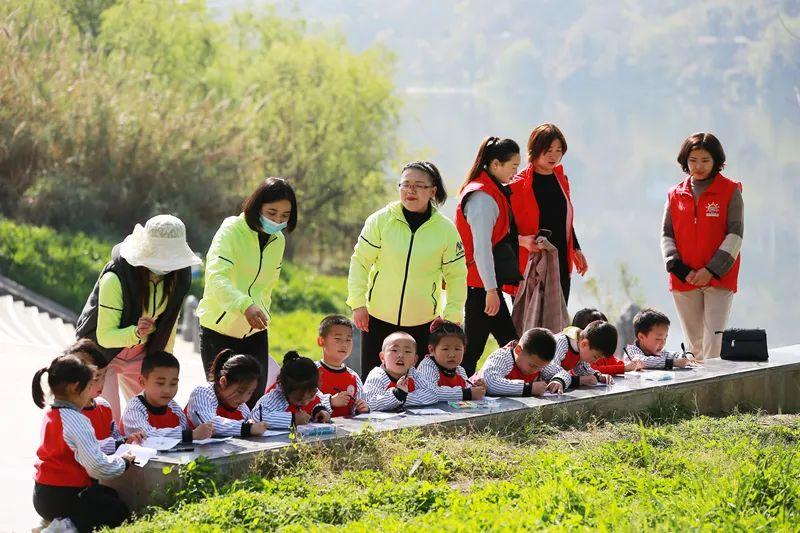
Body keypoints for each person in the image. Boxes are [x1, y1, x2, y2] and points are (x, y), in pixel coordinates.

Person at [347, 161, 467, 376]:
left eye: (419, 185)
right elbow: (360, 261)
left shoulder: (446, 230)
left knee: (417, 386)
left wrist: (452, 314)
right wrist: (358, 303)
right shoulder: (380, 220)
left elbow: (457, 275)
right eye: (406, 184)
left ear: (432, 191)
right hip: (377, 318)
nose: (411, 190)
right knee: (373, 381)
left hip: (423, 321)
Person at [75, 215, 200, 420]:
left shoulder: (179, 278)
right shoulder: (114, 279)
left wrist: (163, 364)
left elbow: (168, 325)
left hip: (143, 355)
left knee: (154, 419)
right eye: (161, 257)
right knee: (109, 421)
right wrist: (135, 333)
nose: (167, 265)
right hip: (104, 355)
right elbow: (105, 336)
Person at [197, 177, 296, 407]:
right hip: (219, 329)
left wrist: (262, 311)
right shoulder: (231, 230)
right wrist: (244, 305)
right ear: (257, 206)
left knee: (254, 399)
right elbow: (216, 276)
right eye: (272, 213)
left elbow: (268, 284)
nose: (277, 220)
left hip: (255, 330)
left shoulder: (278, 239)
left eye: (284, 215)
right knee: (225, 400)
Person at [662, 132, 743, 360]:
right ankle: (696, 393)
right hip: (684, 278)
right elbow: (666, 234)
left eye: (705, 160)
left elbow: (735, 234)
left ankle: (714, 393)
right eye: (693, 160)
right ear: (685, 160)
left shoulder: (730, 191)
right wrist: (680, 270)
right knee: (694, 344)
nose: (699, 166)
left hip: (718, 278)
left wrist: (711, 270)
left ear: (716, 161)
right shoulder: (675, 194)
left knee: (714, 343)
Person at [32, 354, 133, 532]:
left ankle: (57, 522)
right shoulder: (76, 419)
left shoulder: (51, 411)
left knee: (108, 495)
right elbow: (96, 465)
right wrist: (123, 462)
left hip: (42, 493)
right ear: (75, 388)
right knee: (118, 512)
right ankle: (65, 527)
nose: (90, 394)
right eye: (88, 388)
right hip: (64, 496)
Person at [454, 137, 523, 375]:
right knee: (499, 345)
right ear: (495, 164)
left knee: (496, 344)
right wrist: (491, 291)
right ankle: (461, 389)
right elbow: (481, 247)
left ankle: (465, 385)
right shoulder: (482, 198)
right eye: (513, 166)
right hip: (479, 286)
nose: (516, 172)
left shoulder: (488, 191)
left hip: (481, 285)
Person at [510, 124, 588, 304]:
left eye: (559, 150)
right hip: (531, 262)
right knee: (529, 324)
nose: (554, 155)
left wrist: (576, 248)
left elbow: (564, 217)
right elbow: (505, 228)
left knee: (557, 320)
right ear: (534, 150)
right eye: (548, 150)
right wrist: (521, 241)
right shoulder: (519, 184)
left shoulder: (561, 179)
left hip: (560, 259)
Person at [66, 339, 144, 454]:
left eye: (104, 376)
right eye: (96, 377)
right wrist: (118, 444)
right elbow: (86, 448)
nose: (102, 383)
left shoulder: (104, 406)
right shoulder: (67, 413)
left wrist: (127, 440)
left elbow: (116, 438)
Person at [122, 351, 214, 442]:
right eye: (160, 383)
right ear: (142, 382)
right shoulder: (134, 409)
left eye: (173, 384)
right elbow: (146, 436)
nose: (167, 390)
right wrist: (190, 435)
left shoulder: (175, 409)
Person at [185, 349, 269, 437]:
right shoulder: (202, 393)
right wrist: (248, 428)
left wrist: (250, 423)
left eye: (250, 392)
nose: (244, 399)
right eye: (240, 391)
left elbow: (249, 422)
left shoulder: (241, 407)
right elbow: (210, 425)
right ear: (223, 382)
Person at [477, 327, 568, 397]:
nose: (536, 371)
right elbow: (491, 383)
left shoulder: (538, 363)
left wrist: (558, 381)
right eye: (532, 366)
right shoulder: (502, 357)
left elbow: (562, 372)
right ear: (518, 350)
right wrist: (528, 388)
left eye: (541, 367)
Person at [252, 351, 333, 428]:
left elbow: (319, 401)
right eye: (299, 400)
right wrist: (292, 419)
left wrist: (320, 411)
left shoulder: (310, 389)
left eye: (311, 396)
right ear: (284, 390)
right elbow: (257, 416)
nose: (306, 402)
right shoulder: (276, 398)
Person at [362, 332, 438, 411]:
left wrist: (402, 396)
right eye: (394, 350)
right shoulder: (377, 375)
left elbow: (433, 394)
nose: (401, 355)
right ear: (382, 357)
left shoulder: (413, 373)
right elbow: (369, 402)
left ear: (415, 360)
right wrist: (396, 395)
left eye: (407, 351)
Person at [416, 320, 486, 401]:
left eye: (457, 349)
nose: (452, 354)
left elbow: (467, 388)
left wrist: (476, 387)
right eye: (445, 349)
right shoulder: (427, 366)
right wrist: (467, 393)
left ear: (464, 349)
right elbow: (428, 392)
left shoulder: (460, 370)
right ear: (431, 350)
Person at [315, 315, 369, 417]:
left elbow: (360, 406)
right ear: (321, 341)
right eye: (338, 339)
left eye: (348, 340)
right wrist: (330, 401)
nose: (344, 344)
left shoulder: (354, 377)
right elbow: (304, 403)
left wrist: (362, 409)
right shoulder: (311, 371)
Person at [570, 308, 643, 375]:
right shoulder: (581, 355)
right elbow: (592, 369)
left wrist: (632, 364)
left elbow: (615, 363)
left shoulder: (603, 351)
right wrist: (624, 368)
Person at [623, 308, 700, 369]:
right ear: (641, 337)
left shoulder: (657, 351)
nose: (663, 343)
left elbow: (673, 355)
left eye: (665, 338)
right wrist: (674, 362)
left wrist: (687, 355)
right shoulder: (631, 351)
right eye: (658, 339)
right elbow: (643, 361)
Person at [553, 321, 618, 387]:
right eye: (595, 357)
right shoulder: (561, 343)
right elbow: (551, 373)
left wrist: (598, 376)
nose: (595, 361)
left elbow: (582, 368)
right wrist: (579, 380)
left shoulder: (580, 345)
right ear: (584, 344)